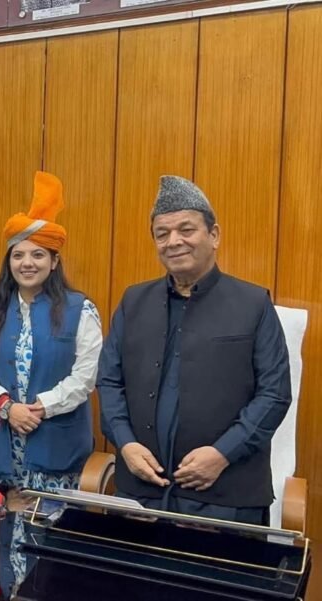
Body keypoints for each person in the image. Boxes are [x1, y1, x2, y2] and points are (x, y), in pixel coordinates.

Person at [98, 175, 292, 525]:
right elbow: (109, 382)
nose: (174, 242)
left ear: (213, 235)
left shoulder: (253, 303)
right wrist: (125, 443)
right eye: (162, 233)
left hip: (226, 497)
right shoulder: (133, 301)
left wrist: (221, 454)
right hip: (140, 492)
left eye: (186, 229)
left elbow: (274, 394)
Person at [0, 171, 101, 583]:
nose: (27, 263)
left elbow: (86, 375)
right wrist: (7, 406)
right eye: (19, 255)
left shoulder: (81, 309)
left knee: (51, 553)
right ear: (8, 261)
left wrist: (39, 408)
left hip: (56, 452)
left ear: (55, 261)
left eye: (38, 255)